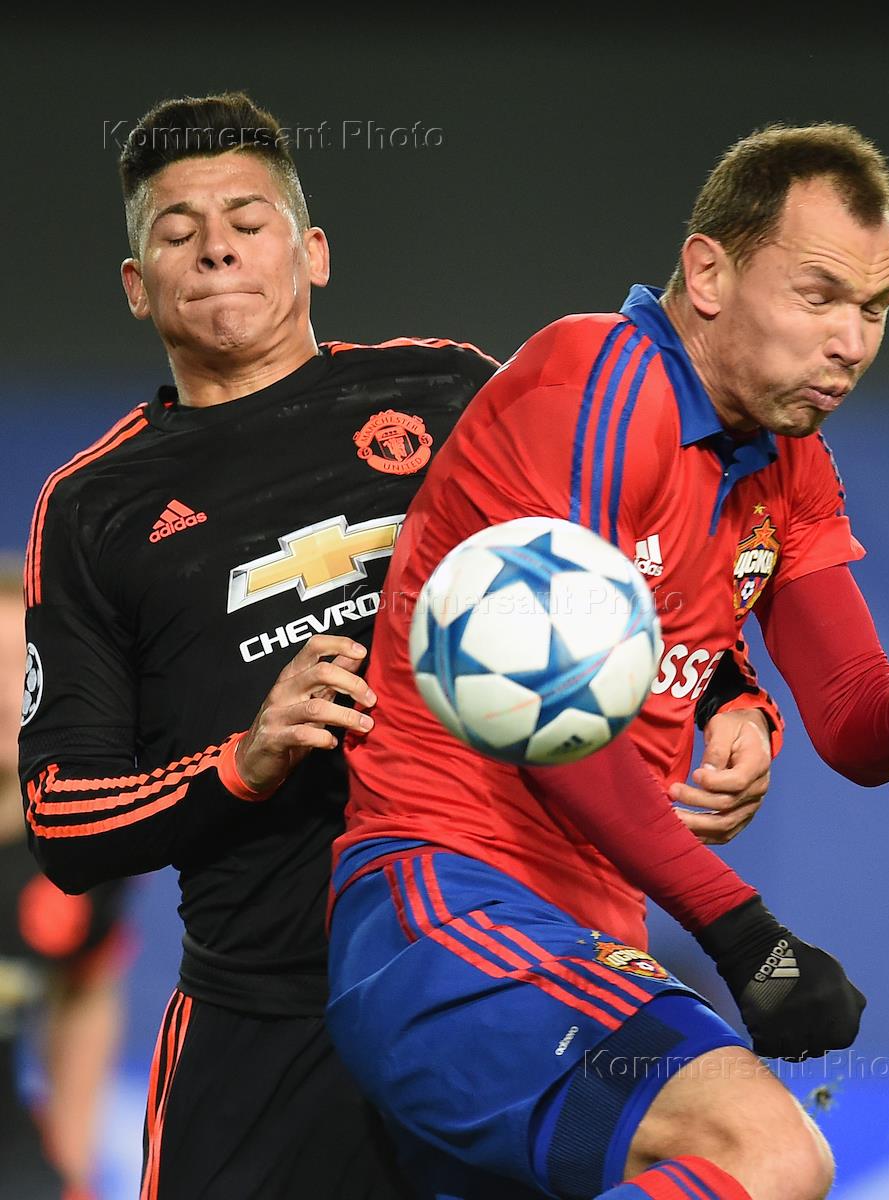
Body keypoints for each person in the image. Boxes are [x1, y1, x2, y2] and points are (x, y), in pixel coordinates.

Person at [326, 123, 889, 1200]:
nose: (850, 341)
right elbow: (548, 721)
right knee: (767, 1152)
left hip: (585, 935)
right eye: (818, 295)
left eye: (875, 308)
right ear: (707, 274)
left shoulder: (788, 458)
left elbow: (850, 722)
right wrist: (745, 935)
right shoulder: (599, 382)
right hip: (449, 906)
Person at [17, 90, 503, 1200]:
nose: (217, 246)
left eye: (247, 218)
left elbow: (624, 564)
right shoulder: (92, 508)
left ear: (312, 252)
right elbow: (63, 818)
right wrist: (246, 758)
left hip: (487, 966)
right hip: (261, 1021)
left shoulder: (450, 392)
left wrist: (727, 690)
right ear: (137, 285)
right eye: (177, 232)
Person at [1, 562, 127, 1200]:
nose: (6, 697)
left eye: (20, 668)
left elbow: (86, 990)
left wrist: (74, 1165)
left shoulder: (77, 845)